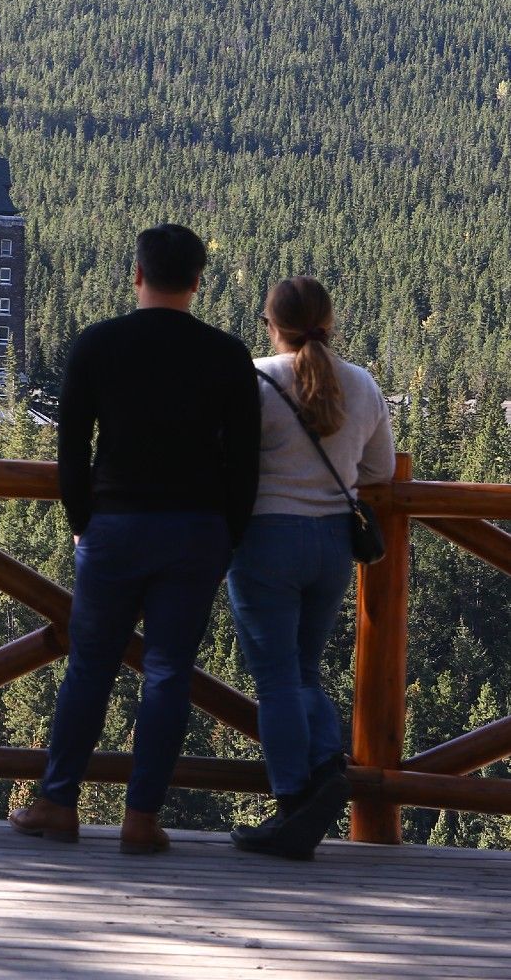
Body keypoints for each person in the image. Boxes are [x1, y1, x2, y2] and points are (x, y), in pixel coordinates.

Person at [10, 224, 259, 854]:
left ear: (136, 275)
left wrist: (80, 519)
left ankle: (58, 801)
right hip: (197, 529)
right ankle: (141, 818)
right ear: (198, 282)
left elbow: (71, 445)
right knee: (170, 672)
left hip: (114, 528)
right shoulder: (227, 355)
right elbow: (245, 462)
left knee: (90, 665)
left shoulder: (99, 344)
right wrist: (227, 532)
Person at [228, 276, 394, 859]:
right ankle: (325, 771)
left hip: (265, 541)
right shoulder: (363, 384)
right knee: (302, 669)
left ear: (271, 323)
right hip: (331, 546)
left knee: (277, 678)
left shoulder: (253, 377)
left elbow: (225, 460)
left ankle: (296, 801)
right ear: (328, 320)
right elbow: (381, 471)